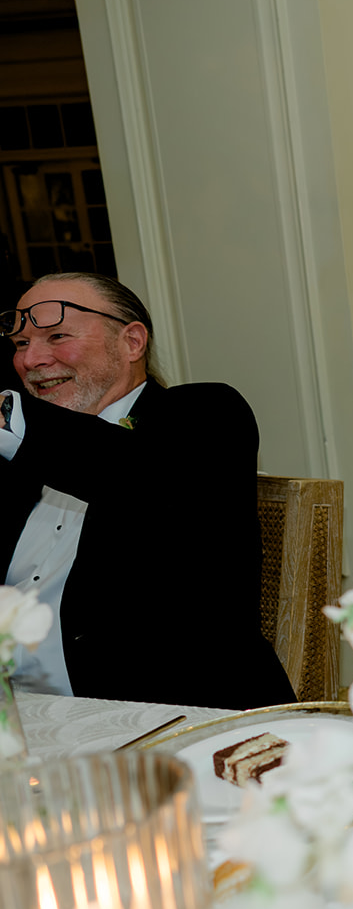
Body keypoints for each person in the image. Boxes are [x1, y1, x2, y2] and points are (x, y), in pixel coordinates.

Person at [0, 272, 295, 708]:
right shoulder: (16, 458)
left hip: (171, 717)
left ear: (132, 342)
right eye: (21, 344)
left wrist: (10, 421)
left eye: (56, 336)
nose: (31, 360)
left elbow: (138, 477)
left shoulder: (203, 416)